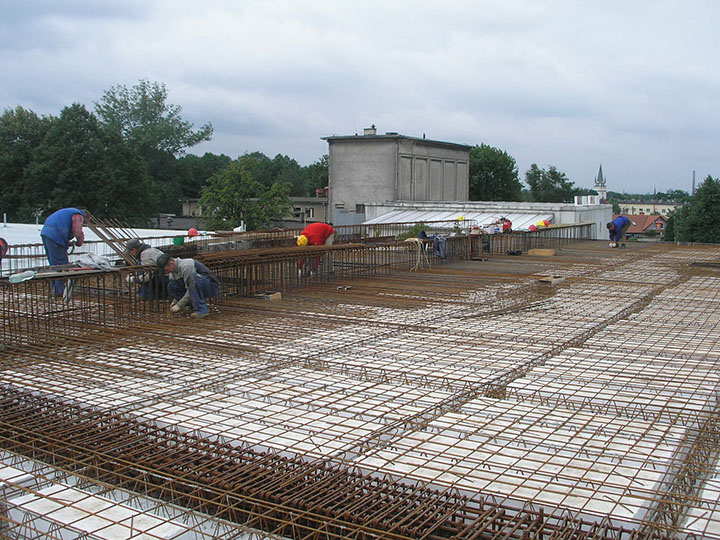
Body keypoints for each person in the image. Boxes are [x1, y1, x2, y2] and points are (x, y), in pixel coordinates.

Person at [40, 208, 88, 297]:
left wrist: (65, 241)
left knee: (54, 264)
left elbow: (63, 225)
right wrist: (80, 241)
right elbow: (77, 231)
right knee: (62, 265)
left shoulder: (69, 212)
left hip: (47, 233)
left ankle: (56, 289)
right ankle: (60, 291)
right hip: (55, 235)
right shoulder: (78, 215)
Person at [156, 253, 219, 319]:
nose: (167, 272)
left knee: (193, 278)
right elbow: (178, 288)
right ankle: (193, 305)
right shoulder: (172, 273)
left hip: (210, 287)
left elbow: (191, 287)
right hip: (195, 287)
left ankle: (201, 310)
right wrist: (175, 302)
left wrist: (179, 305)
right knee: (171, 285)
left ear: (171, 263)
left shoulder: (186, 266)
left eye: (167, 270)